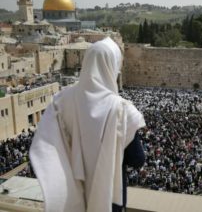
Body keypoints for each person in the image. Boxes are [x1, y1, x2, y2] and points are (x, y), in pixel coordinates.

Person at [30, 37, 146, 212]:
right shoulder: (122, 110)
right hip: (109, 198)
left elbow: (48, 143)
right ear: (111, 66)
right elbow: (137, 159)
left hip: (72, 193)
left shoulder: (62, 101)